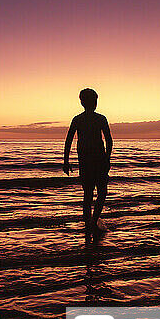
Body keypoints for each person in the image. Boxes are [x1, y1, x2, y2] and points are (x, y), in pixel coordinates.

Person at [63, 88, 113, 241]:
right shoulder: (99, 119)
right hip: (96, 160)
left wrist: (66, 160)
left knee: (88, 194)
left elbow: (68, 141)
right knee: (100, 192)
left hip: (88, 161)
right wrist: (107, 158)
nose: (95, 103)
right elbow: (109, 141)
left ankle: (90, 223)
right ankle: (92, 221)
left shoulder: (79, 119)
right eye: (94, 101)